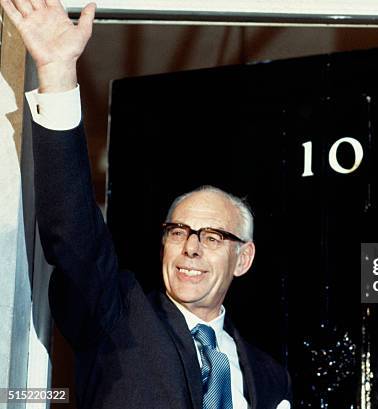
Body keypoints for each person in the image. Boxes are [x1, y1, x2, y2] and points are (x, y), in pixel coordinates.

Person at [0, 0, 291, 408]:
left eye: (211, 236)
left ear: (243, 258)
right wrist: (57, 73)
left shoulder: (269, 376)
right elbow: (74, 235)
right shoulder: (118, 315)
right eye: (178, 232)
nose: (190, 247)